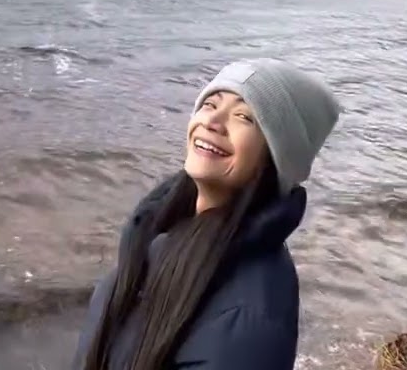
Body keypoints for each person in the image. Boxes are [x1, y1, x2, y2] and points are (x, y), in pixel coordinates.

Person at [71, 59, 342, 370]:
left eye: (244, 117)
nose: (213, 121)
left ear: (278, 157)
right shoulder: (159, 231)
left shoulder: (250, 317)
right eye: (210, 103)